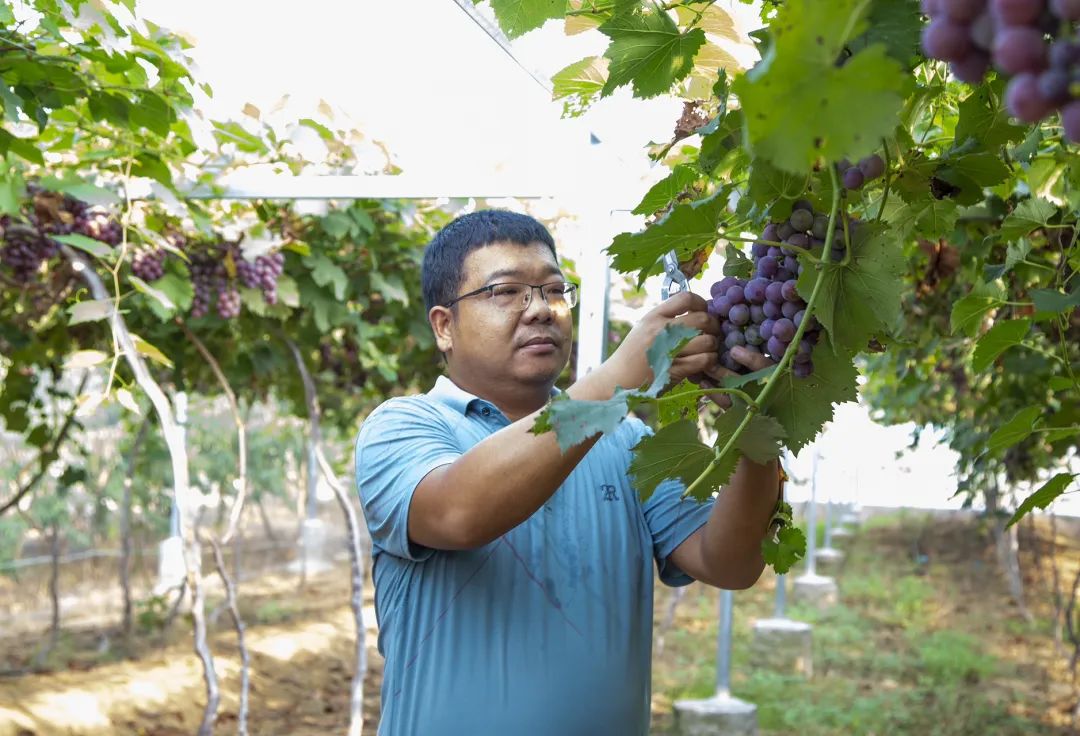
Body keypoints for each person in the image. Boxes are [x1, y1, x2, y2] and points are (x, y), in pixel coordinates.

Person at [354, 209, 781, 736]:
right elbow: (457, 513)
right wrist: (618, 378)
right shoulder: (401, 427)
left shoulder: (626, 440)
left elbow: (731, 564)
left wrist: (754, 429)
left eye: (555, 291)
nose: (541, 309)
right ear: (444, 326)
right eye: (506, 292)